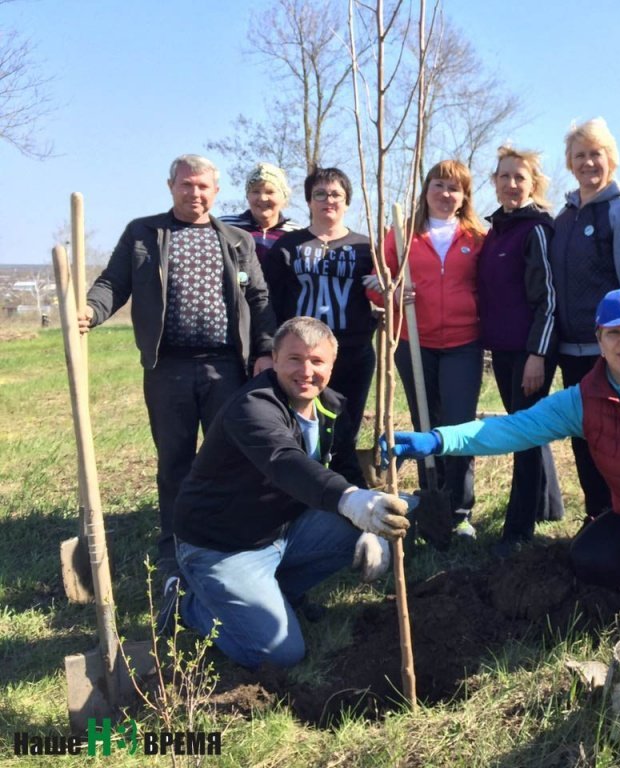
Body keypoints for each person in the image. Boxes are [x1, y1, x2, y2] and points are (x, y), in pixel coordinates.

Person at [384, 289, 620, 617]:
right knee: (589, 556)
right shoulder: (584, 400)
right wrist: (437, 440)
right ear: (599, 338)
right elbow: (511, 429)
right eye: (616, 333)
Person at [167, 317, 410, 668]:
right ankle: (191, 605)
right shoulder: (252, 408)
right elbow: (285, 461)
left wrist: (368, 523)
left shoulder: (331, 406)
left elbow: (344, 468)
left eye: (317, 361)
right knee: (280, 654)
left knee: (395, 514)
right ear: (274, 360)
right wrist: (350, 501)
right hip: (222, 546)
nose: (306, 371)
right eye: (294, 359)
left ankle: (275, 593)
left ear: (331, 365)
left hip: (283, 530)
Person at [80, 154, 276, 577]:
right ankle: (174, 544)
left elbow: (259, 299)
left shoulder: (237, 241)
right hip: (167, 368)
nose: (195, 193)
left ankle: (225, 538)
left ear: (216, 192)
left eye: (203, 186)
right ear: (171, 186)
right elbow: (113, 283)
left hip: (226, 368)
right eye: (187, 185)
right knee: (174, 461)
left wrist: (264, 350)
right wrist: (91, 311)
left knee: (230, 456)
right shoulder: (144, 234)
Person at [549, 117, 620, 525]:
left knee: (619, 441)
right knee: (584, 438)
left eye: (596, 154)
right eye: (580, 156)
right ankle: (597, 518)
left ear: (611, 159)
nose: (589, 162)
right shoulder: (564, 218)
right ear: (570, 163)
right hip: (570, 350)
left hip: (610, 351)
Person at [375, 160, 487, 537]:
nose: (445, 194)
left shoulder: (475, 238)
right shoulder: (404, 235)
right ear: (426, 191)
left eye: (454, 188)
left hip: (463, 343)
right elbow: (374, 281)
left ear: (464, 196)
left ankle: (459, 511)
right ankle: (429, 501)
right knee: (425, 424)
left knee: (459, 425)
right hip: (414, 342)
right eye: (438, 185)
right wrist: (390, 289)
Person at [477, 146, 563, 557]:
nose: (511, 184)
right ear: (494, 181)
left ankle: (517, 532)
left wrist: (538, 354)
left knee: (523, 437)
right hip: (503, 350)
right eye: (504, 177)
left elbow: (548, 298)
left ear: (534, 184)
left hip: (531, 351)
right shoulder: (494, 231)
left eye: (520, 178)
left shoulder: (537, 230)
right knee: (526, 429)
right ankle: (548, 505)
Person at [264, 167, 378, 442]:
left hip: (352, 352)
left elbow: (382, 296)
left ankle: (344, 480)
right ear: (309, 201)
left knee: (346, 427)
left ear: (347, 201)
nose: (329, 200)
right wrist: (268, 348)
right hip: (300, 355)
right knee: (299, 424)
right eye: (320, 194)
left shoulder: (367, 247)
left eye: (336, 194)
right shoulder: (288, 246)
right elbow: (268, 300)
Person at [219, 162, 303, 270]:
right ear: (247, 195)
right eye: (255, 192)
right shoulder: (226, 226)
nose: (262, 198)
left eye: (270, 192)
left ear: (283, 197)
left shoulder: (297, 234)